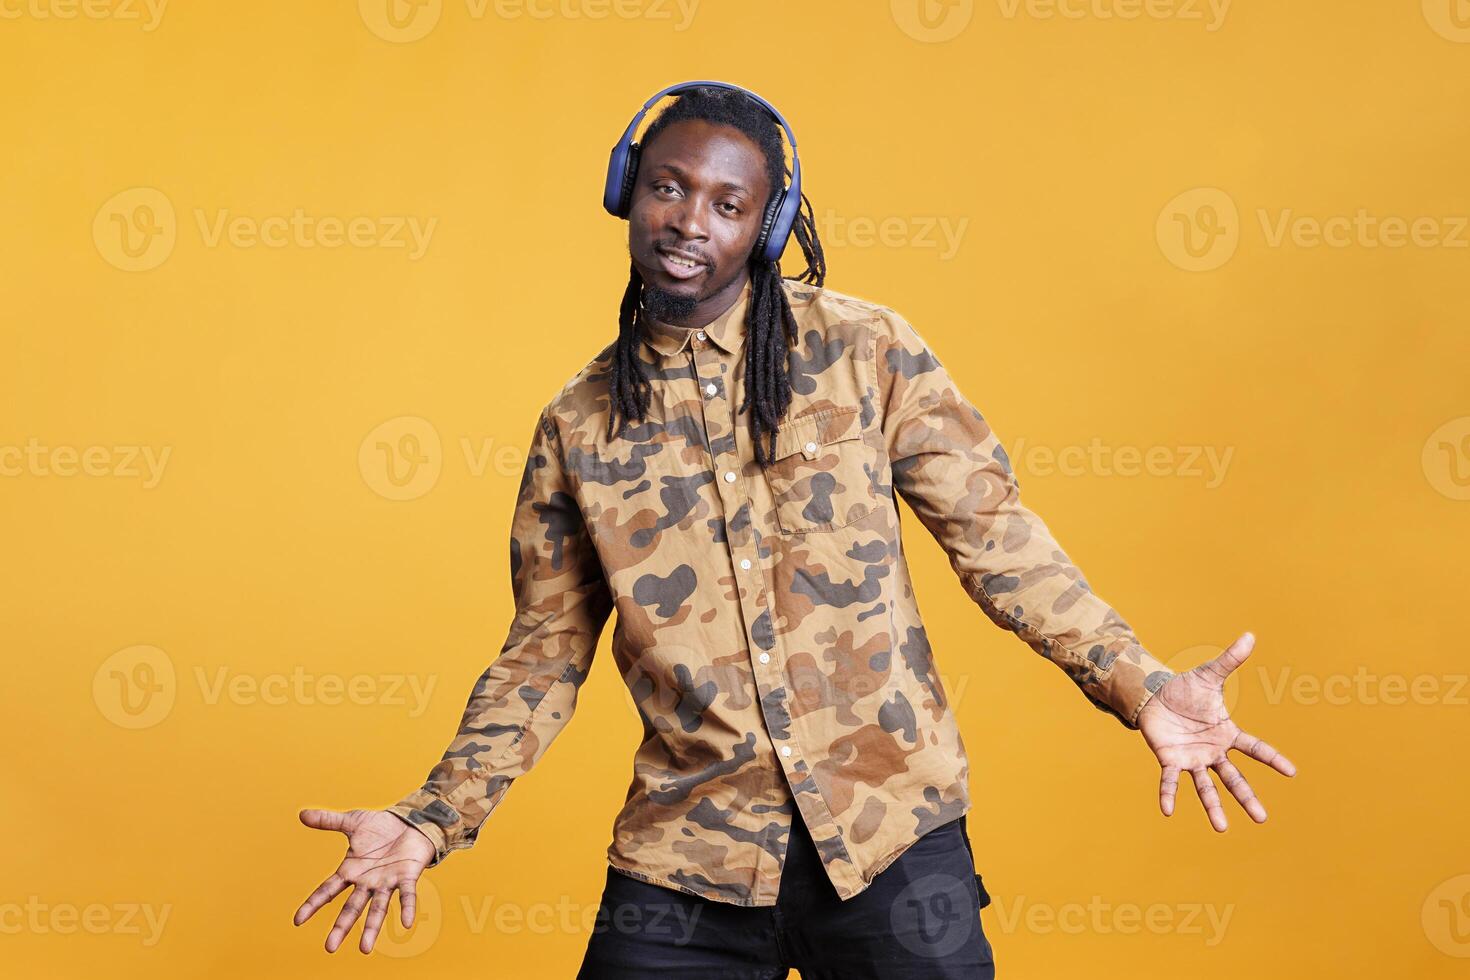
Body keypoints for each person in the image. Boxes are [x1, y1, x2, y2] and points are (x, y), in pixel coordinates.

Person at [292, 82, 1297, 977]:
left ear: (769, 224)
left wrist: (1143, 683)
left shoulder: (867, 352)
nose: (690, 221)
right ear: (627, 193)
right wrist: (433, 816)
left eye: (728, 204)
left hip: (894, 848)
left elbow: (999, 541)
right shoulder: (579, 424)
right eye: (669, 188)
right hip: (686, 863)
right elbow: (544, 652)